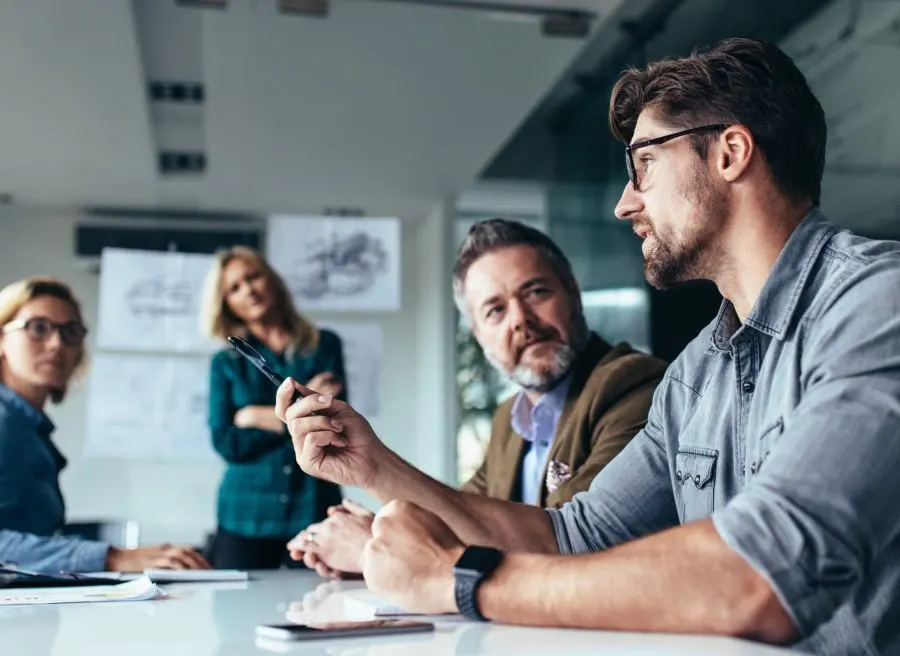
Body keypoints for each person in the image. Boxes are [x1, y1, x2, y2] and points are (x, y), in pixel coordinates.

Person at [275, 36, 900, 654]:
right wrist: (373, 466)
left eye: (644, 164)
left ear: (731, 153)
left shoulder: (877, 304)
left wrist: (459, 579)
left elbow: (764, 576)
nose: (626, 203)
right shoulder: (694, 376)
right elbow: (571, 536)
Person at [288, 219, 667, 578]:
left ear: (572, 294)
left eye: (536, 292)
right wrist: (379, 534)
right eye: (495, 310)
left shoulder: (634, 386)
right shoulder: (510, 418)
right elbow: (463, 518)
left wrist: (374, 545)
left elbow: (567, 545)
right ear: (478, 334)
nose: (520, 319)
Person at [0, 277, 209, 573]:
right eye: (38, 328)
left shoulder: (29, 427)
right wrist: (114, 557)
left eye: (70, 332)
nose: (57, 344)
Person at [201, 246, 345, 569]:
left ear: (271, 281)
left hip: (312, 505)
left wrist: (254, 416)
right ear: (226, 304)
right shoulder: (225, 363)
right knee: (236, 614)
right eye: (234, 288)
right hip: (245, 513)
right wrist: (297, 417)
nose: (248, 289)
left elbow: (331, 424)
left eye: (253, 277)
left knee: (319, 608)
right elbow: (226, 442)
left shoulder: (325, 346)